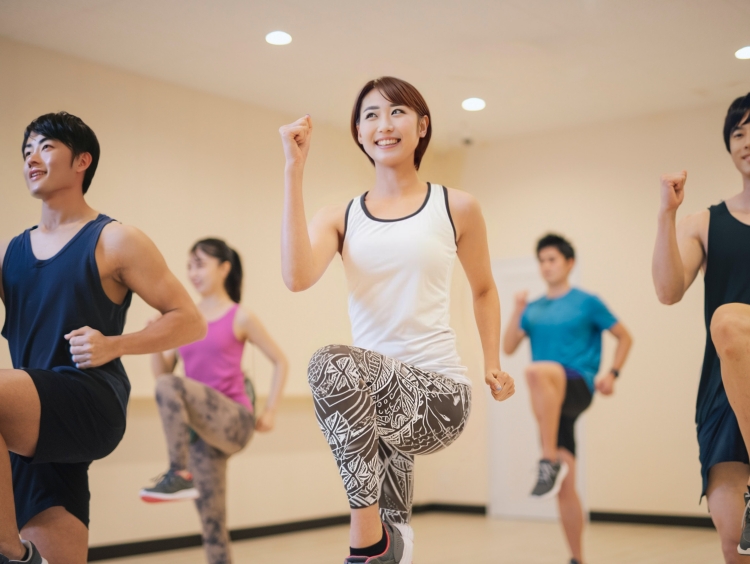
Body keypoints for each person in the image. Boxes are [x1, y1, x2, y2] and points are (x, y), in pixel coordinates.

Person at [278, 76, 515, 564]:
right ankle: (390, 542)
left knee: (330, 363)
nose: (383, 124)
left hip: (439, 397)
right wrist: (293, 171)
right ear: (359, 134)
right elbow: (297, 277)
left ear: (422, 126)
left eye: (397, 112)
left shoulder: (456, 206)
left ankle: (365, 543)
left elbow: (484, 288)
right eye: (370, 115)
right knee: (398, 537)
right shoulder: (340, 216)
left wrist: (492, 362)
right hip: (373, 404)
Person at [0, 112, 205, 564]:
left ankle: (9, 551)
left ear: (82, 161)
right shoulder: (10, 253)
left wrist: (116, 344)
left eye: (45, 146)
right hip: (32, 420)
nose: (31, 157)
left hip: (89, 401)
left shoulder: (115, 239)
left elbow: (190, 320)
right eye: (26, 150)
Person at [139, 237, 288, 564]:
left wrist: (271, 410)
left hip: (234, 421)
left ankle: (177, 473)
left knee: (170, 384)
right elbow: (163, 379)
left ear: (224, 268)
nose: (192, 273)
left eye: (200, 264)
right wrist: (154, 340)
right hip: (202, 436)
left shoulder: (240, 316)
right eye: (189, 266)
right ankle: (181, 476)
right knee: (212, 523)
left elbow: (280, 361)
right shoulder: (184, 320)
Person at [652, 92, 750, 563]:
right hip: (726, 386)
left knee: (730, 319)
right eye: (738, 133)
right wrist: (666, 215)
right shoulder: (705, 222)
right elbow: (667, 290)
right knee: (734, 538)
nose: (747, 141)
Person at [503, 233, 632, 564]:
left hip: (577, 385)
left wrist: (612, 374)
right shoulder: (533, 308)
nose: (546, 266)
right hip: (550, 405)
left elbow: (624, 337)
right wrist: (517, 310)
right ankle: (577, 558)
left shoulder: (587, 302)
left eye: (552, 259)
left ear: (569, 263)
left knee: (536, 370)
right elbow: (508, 346)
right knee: (566, 485)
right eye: (541, 261)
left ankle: (547, 461)